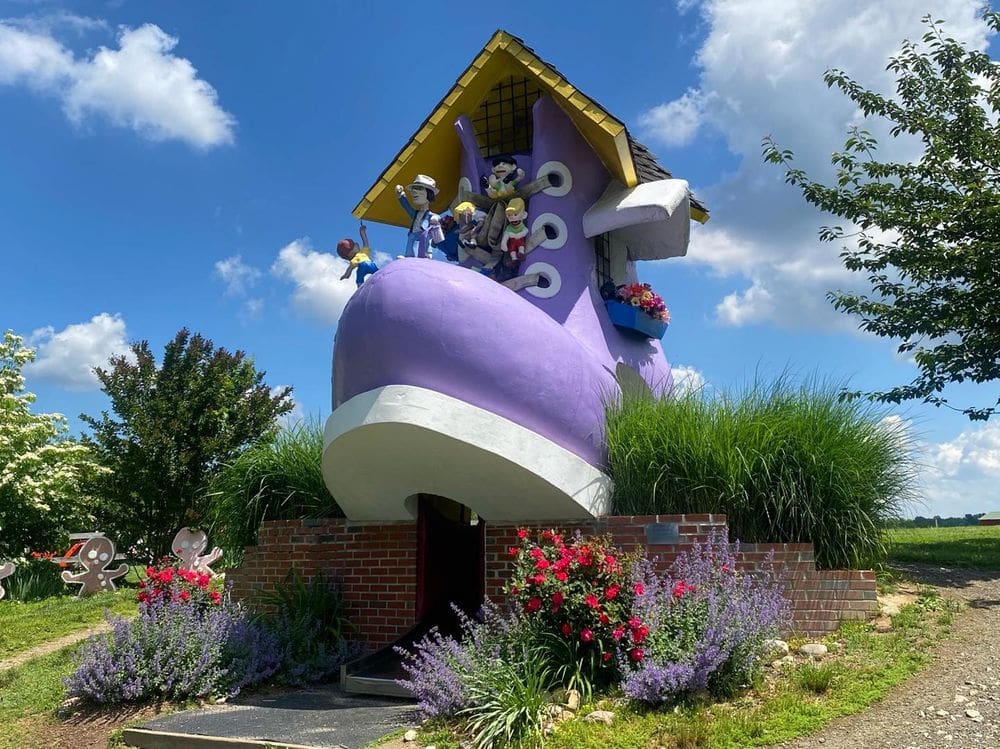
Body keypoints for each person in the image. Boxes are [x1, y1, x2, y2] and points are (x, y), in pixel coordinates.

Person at [395, 174, 444, 258]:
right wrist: (401, 195)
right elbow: (406, 206)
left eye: (419, 188)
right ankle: (409, 257)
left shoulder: (431, 215)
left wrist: (435, 219)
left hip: (423, 235)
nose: (414, 191)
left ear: (429, 193)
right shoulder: (415, 214)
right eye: (414, 188)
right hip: (412, 235)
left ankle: (426, 256)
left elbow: (436, 218)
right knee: (411, 244)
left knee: (423, 243)